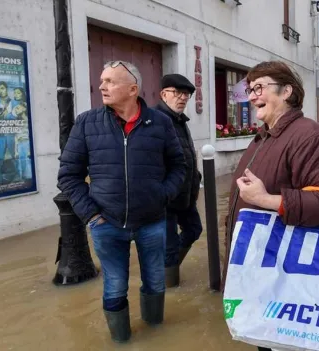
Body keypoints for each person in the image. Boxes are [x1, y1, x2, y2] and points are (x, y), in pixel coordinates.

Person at [57, 60, 186, 343]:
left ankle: (156, 335)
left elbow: (180, 166)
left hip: (152, 221)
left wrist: (162, 195)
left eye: (110, 81)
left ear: (132, 89)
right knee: (114, 286)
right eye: (102, 80)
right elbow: (68, 175)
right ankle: (122, 341)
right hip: (106, 223)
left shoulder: (160, 123)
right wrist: (91, 215)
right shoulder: (86, 123)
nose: (101, 86)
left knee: (155, 281)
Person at [220, 61, 319, 351]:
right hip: (261, 270)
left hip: (283, 277)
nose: (251, 95)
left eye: (259, 87)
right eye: (250, 89)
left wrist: (265, 200)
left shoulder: (308, 136)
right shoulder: (264, 136)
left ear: (287, 91)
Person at [155, 74, 203, 287]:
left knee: (194, 230)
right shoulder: (155, 121)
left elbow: (186, 157)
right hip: (165, 199)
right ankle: (166, 284)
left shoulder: (180, 121)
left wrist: (196, 181)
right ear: (164, 94)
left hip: (186, 195)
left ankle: (166, 268)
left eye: (187, 94)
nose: (183, 98)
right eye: (178, 93)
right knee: (169, 247)